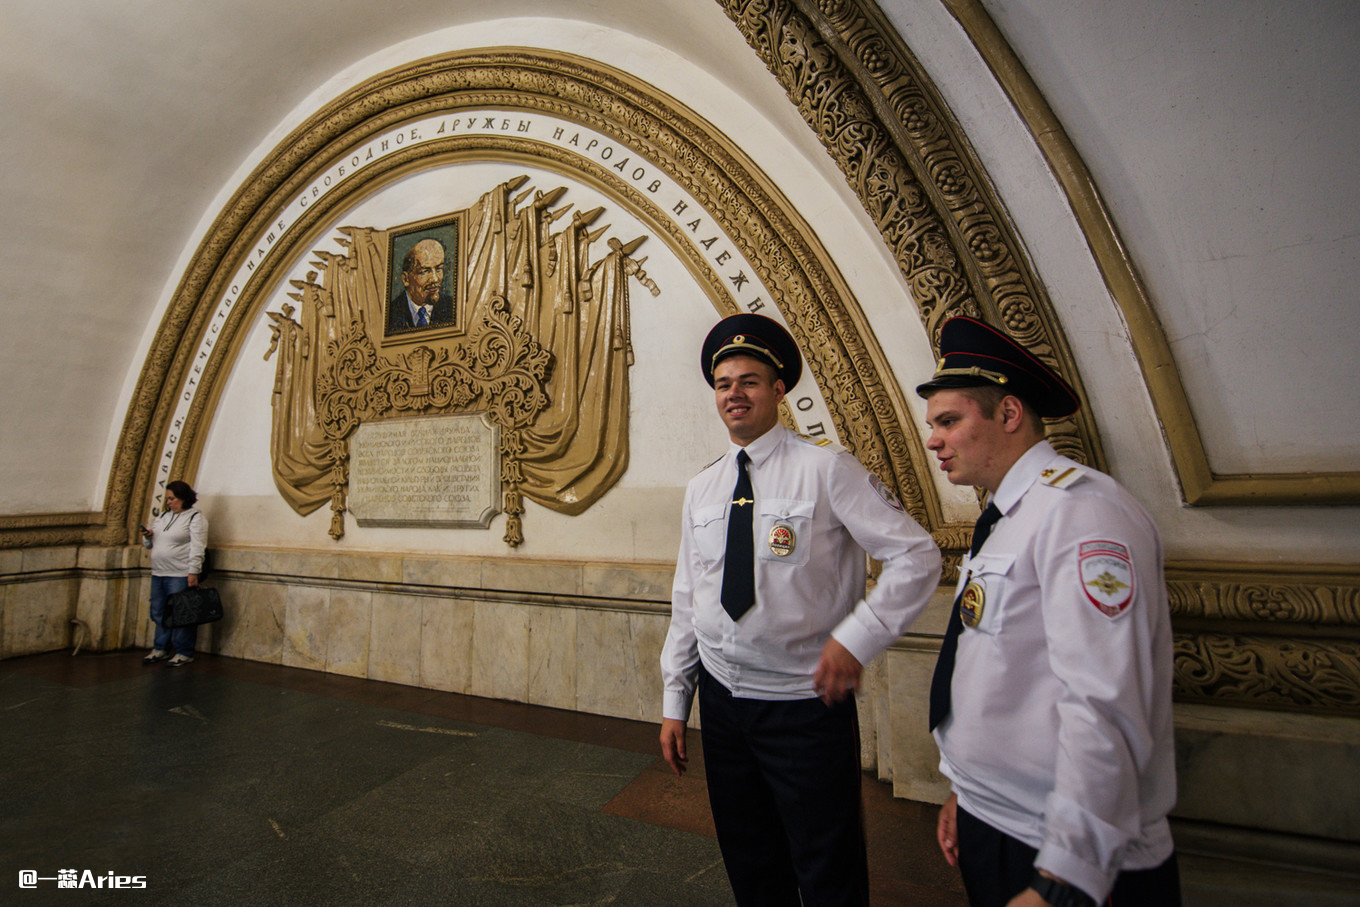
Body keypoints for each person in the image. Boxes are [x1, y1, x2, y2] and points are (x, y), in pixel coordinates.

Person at [660, 313, 942, 906]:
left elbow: (916, 555)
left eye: (750, 381)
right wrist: (673, 700)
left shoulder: (826, 469)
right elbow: (690, 596)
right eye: (723, 384)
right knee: (750, 857)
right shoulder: (703, 487)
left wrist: (855, 640)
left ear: (779, 390)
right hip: (725, 706)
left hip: (801, 707)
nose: (734, 394)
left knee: (826, 864)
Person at [917, 316, 1180, 907]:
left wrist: (1063, 878)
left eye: (950, 421)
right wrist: (966, 789)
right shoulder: (1009, 518)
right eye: (933, 425)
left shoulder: (1081, 512)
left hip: (1059, 847)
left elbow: (1105, 702)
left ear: (1009, 414)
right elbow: (997, 670)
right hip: (995, 818)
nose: (933, 440)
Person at [140, 480, 208, 667]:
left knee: (181, 613)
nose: (168, 502)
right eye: (167, 499)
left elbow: (198, 547)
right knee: (159, 611)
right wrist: (147, 536)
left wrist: (193, 571)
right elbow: (150, 545)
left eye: (172, 498)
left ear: (184, 498)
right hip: (159, 572)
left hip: (180, 573)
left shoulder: (195, 518)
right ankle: (160, 648)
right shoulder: (162, 517)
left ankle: (183, 651)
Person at [386, 237, 455, 333]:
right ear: (406, 279)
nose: (435, 279)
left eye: (439, 269)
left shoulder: (453, 308)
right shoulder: (389, 315)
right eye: (424, 271)